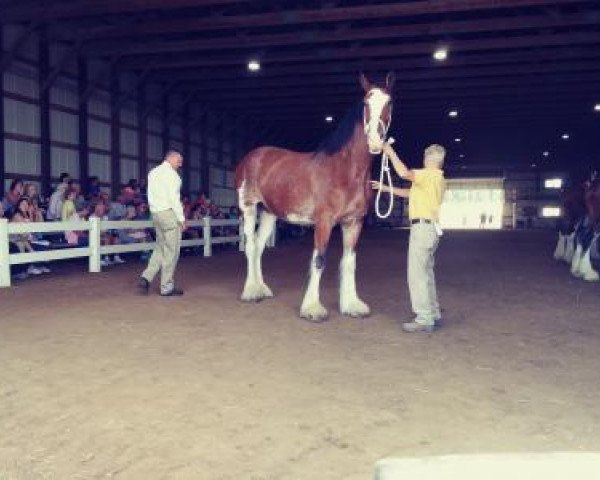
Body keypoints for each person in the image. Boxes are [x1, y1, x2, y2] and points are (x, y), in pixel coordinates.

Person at [371, 143, 446, 333]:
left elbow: (404, 173)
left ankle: (424, 318)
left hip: (421, 230)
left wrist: (390, 152)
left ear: (429, 159)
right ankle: (433, 314)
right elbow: (410, 193)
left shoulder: (427, 174)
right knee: (427, 274)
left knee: (417, 276)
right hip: (431, 229)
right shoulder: (439, 179)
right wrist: (386, 188)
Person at [138, 151, 187, 296]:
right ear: (170, 158)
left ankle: (146, 276)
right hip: (169, 214)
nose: (180, 163)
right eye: (179, 160)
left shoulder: (153, 172)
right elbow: (174, 199)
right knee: (171, 252)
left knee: (160, 247)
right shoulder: (174, 176)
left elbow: (150, 194)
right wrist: (182, 219)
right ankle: (166, 287)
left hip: (155, 214)